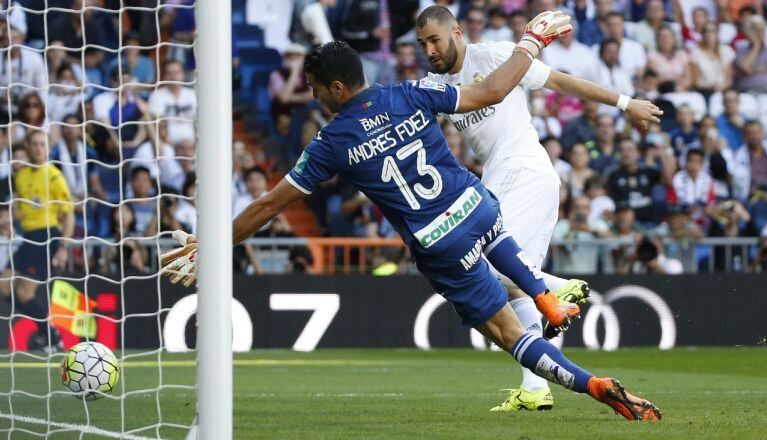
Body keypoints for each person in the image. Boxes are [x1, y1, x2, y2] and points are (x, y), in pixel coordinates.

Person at [163, 21, 662, 420]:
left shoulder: (332, 141)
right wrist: (530, 42)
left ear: (337, 87)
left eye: (317, 90)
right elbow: (489, 93)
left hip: (439, 241)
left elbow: (269, 205)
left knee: (511, 335)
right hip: (475, 204)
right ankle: (545, 293)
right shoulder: (406, 92)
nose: (315, 98)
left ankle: (592, 384)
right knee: (494, 231)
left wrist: (212, 244)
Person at [415, 6, 661, 411]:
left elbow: (561, 82)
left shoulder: (495, 55)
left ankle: (552, 284)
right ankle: (534, 388)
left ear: (456, 33)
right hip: (511, 179)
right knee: (514, 296)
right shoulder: (435, 84)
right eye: (422, 43)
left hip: (524, 172)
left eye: (435, 40)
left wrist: (624, 102)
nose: (429, 49)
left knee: (487, 266)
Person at [0, 130, 74, 352]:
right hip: (27, 237)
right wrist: (11, 219)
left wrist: (63, 247)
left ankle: (51, 336)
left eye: (42, 144)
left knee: (23, 292)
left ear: (48, 148)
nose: (38, 148)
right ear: (29, 147)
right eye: (34, 144)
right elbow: (21, 211)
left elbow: (68, 214)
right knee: (4, 286)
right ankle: (48, 334)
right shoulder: (21, 176)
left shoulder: (53, 176)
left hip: (46, 236)